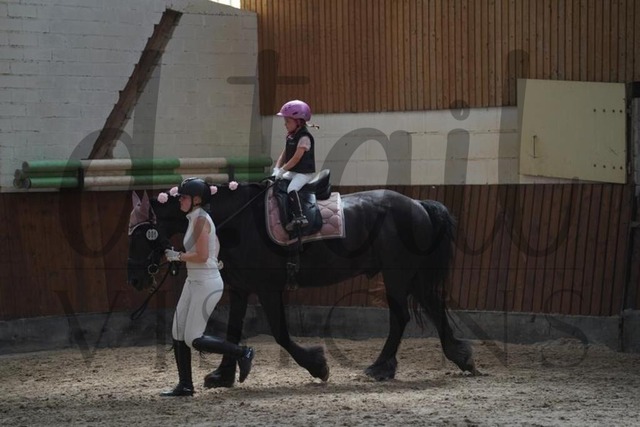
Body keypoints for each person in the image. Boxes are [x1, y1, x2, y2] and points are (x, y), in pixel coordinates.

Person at [161, 177, 254, 397]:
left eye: (184, 197)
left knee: (193, 338)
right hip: (193, 280)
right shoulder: (194, 218)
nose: (180, 200)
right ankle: (185, 385)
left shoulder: (201, 220)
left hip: (206, 282)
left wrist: (177, 256)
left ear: (196, 199)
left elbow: (202, 256)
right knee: (177, 331)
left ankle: (243, 352)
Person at [273, 99, 318, 231]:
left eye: (288, 121)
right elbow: (284, 154)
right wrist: (276, 169)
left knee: (291, 189)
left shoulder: (304, 138)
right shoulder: (291, 136)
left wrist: (283, 170)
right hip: (294, 172)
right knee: (278, 182)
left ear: (298, 122)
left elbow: (296, 158)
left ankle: (300, 216)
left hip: (304, 173)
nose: (285, 124)